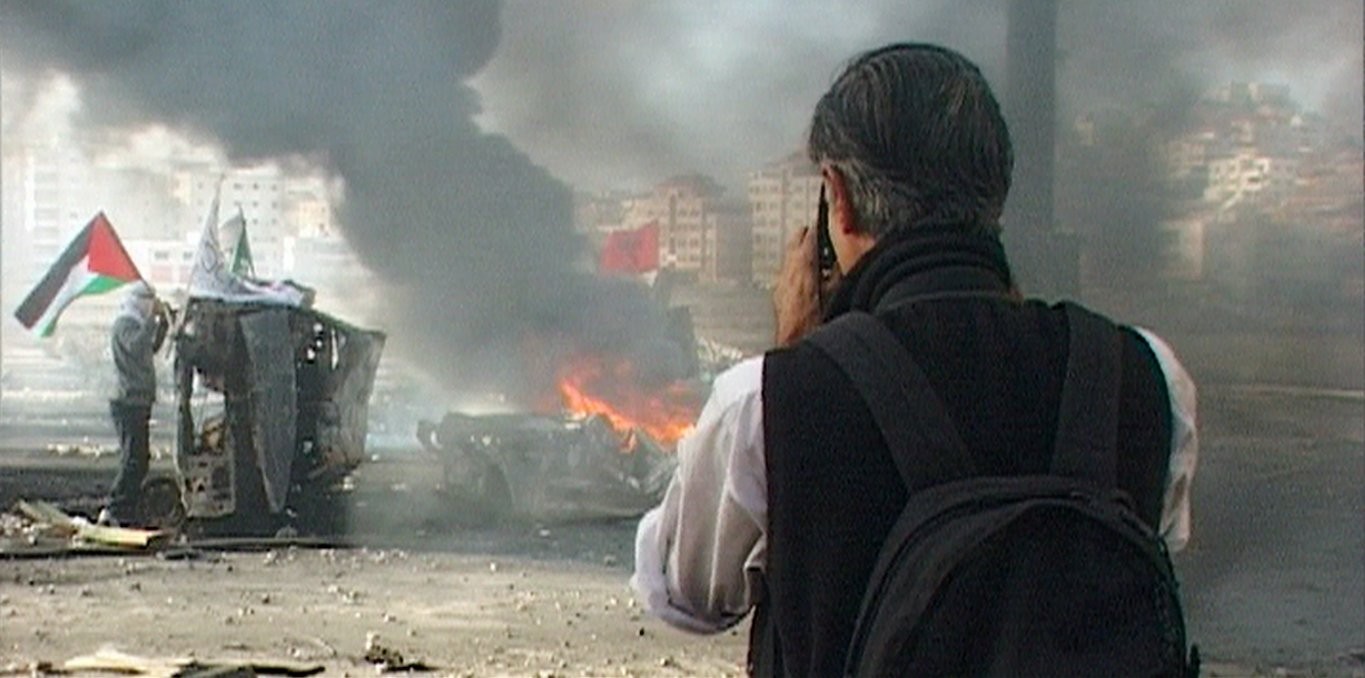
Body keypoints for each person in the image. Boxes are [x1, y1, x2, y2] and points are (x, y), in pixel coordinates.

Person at [631, 43, 1198, 676]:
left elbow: (684, 596)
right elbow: (1152, 547)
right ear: (997, 195)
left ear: (837, 199)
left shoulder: (770, 399)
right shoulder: (1144, 374)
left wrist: (798, 352)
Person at [98, 281, 170, 527]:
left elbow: (150, 348)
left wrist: (162, 325)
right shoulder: (124, 323)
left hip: (138, 400)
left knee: (139, 458)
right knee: (133, 459)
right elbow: (137, 346)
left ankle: (126, 508)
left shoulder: (136, 324)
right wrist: (152, 319)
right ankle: (115, 508)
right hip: (128, 400)